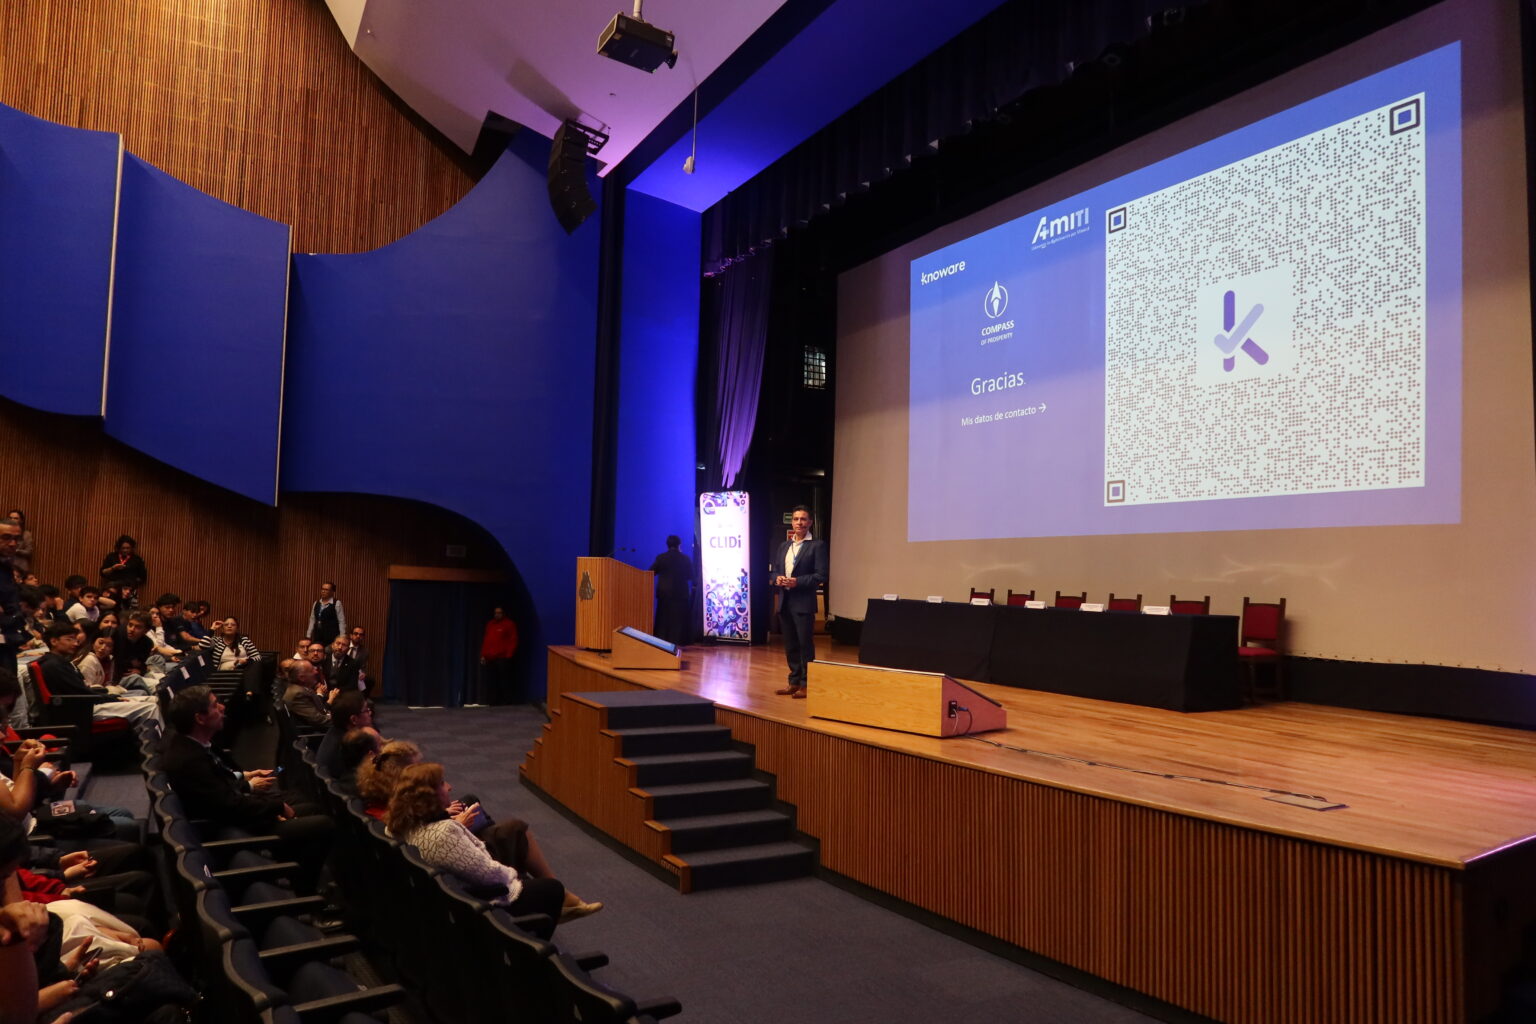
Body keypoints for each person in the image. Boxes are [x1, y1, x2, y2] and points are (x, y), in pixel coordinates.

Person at [159, 686, 333, 883]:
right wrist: (275, 807)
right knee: (323, 824)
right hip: (231, 827)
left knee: (310, 808)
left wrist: (252, 788)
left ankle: (289, 865)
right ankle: (302, 887)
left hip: (235, 813)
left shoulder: (195, 745)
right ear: (200, 718)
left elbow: (221, 787)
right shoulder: (188, 760)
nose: (223, 708)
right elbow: (227, 806)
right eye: (215, 705)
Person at [385, 763, 568, 938]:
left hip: (438, 898)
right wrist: (515, 875)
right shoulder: (444, 833)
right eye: (442, 783)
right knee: (552, 889)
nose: (449, 787)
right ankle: (531, 951)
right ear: (429, 795)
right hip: (473, 903)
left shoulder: (397, 827)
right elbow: (491, 876)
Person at [770, 506, 827, 699]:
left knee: (805, 645)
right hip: (785, 601)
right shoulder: (784, 546)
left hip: (803, 602)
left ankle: (807, 684)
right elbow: (775, 570)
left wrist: (797, 582)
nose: (799, 523)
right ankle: (793, 681)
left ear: (810, 523)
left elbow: (821, 575)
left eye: (803, 519)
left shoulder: (817, 545)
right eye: (796, 519)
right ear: (792, 522)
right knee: (790, 645)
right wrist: (777, 578)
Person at [649, 535, 694, 647]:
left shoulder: (661, 558)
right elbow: (690, 576)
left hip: (664, 594)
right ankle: (680, 641)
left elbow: (650, 572)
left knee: (664, 620)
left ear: (667, 545)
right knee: (679, 620)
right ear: (679, 545)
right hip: (681, 594)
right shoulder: (685, 558)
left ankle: (662, 640)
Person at [476, 607, 518, 706]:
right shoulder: (490, 624)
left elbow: (513, 640)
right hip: (491, 657)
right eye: (495, 613)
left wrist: (509, 655)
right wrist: (483, 655)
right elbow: (487, 640)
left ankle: (506, 701)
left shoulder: (509, 624)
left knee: (504, 680)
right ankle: (493, 701)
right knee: (492, 680)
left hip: (502, 657)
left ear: (503, 613)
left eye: (499, 613)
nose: (497, 615)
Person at [280, 660, 330, 729]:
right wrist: (340, 719)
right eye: (311, 670)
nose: (316, 672)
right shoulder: (297, 694)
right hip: (317, 731)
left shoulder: (303, 687)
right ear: (302, 678)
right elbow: (319, 720)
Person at [98, 535, 146, 603]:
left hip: (128, 590)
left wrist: (132, 583)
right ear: (119, 548)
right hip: (112, 589)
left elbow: (143, 577)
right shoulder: (111, 557)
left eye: (128, 548)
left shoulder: (137, 559)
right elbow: (102, 573)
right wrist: (113, 568)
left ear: (132, 548)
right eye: (123, 548)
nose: (125, 550)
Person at [304, 582, 346, 649]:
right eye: (322, 589)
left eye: (326, 590)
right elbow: (312, 619)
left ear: (332, 592)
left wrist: (342, 637)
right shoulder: (316, 603)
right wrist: (308, 635)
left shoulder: (337, 603)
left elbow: (341, 621)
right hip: (318, 635)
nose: (323, 591)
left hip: (331, 635)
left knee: (328, 652)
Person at [3, 511, 33, 578]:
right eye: (10, 518)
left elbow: (28, 552)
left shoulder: (26, 534)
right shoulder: (3, 532)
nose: (12, 520)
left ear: (21, 520)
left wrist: (16, 550)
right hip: (6, 565)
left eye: (15, 518)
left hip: (20, 567)